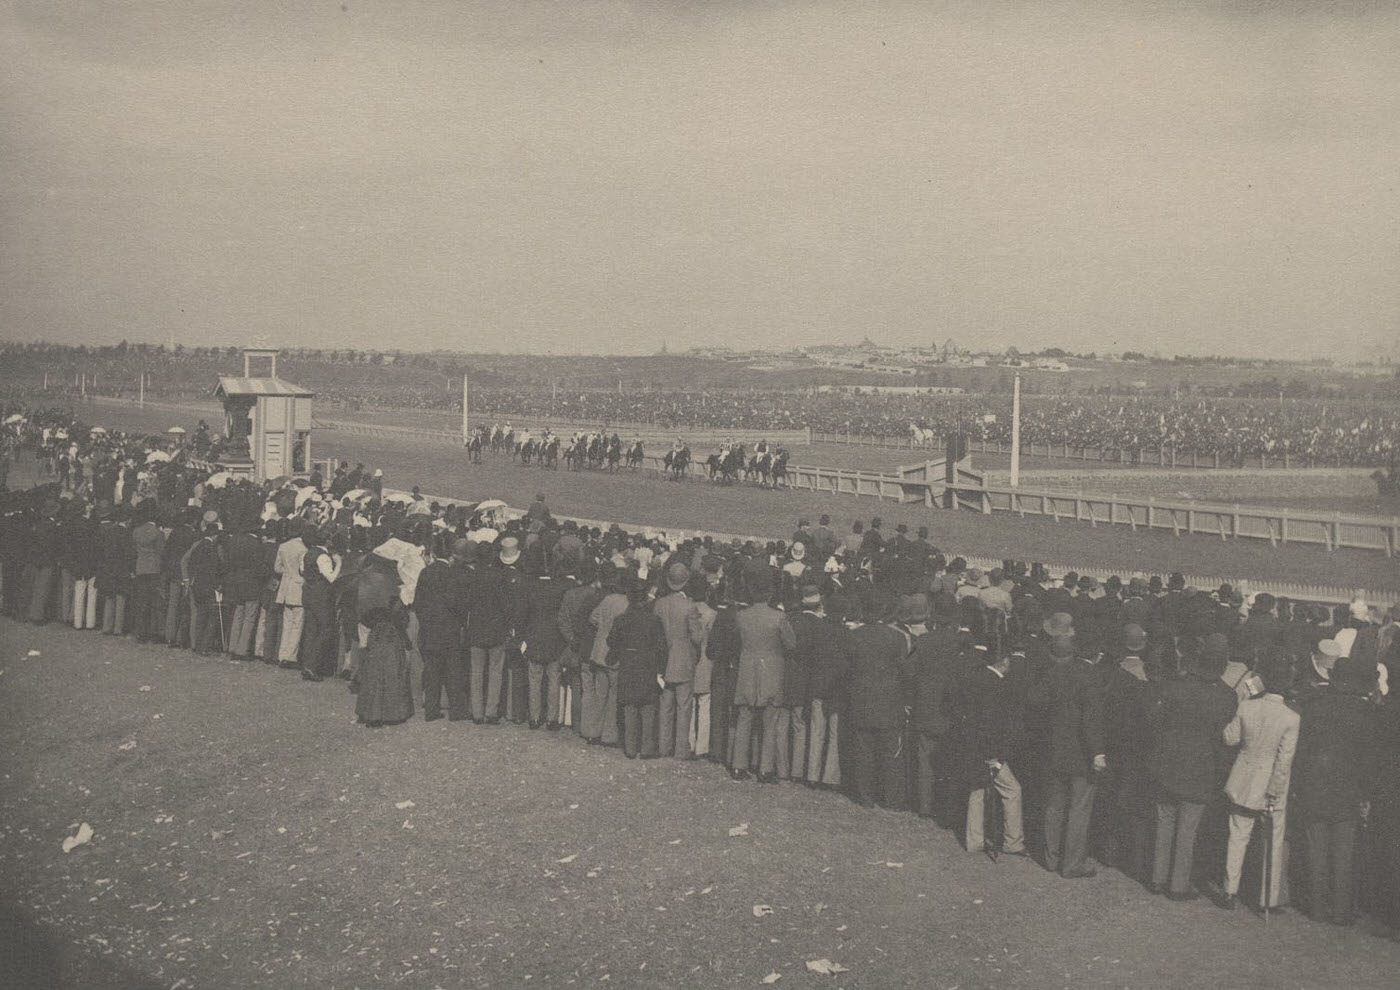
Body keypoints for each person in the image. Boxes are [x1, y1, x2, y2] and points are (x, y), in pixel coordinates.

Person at [1292, 658, 1380, 925]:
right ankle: (1341, 910)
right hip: (1348, 790)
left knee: (1316, 849)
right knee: (1344, 852)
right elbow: (1369, 759)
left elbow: (1302, 751)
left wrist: (1298, 784)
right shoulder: (1364, 713)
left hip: (1315, 786)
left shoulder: (1313, 707)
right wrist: (1366, 793)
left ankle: (1317, 907)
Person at [1149, 643, 1238, 900]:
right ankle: (1178, 884)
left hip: (1167, 762)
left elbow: (1157, 721)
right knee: (1188, 827)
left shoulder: (1176, 686)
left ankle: (1158, 877)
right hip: (1201, 767)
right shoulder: (1226, 696)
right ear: (1222, 668)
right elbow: (1224, 739)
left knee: (1165, 819)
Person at [1214, 655, 1300, 912]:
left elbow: (1229, 739)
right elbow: (1284, 760)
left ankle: (1230, 891)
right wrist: (1274, 789)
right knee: (1272, 839)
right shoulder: (1291, 718)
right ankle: (1268, 898)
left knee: (1237, 835)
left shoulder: (1247, 707)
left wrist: (1241, 703)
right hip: (1271, 783)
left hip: (1243, 778)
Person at [1037, 634, 1107, 879]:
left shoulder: (1054, 673)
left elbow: (1039, 705)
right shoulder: (1092, 678)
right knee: (1079, 809)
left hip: (1054, 749)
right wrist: (1097, 752)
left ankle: (1050, 857)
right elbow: (1091, 719)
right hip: (1080, 755)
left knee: (1054, 806)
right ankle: (1072, 863)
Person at [844, 593, 915, 808]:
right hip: (890, 700)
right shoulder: (898, 637)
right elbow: (906, 671)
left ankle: (865, 796)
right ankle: (892, 799)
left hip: (862, 699)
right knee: (891, 752)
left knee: (863, 750)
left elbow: (847, 667)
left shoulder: (854, 635)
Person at [958, 642, 1028, 857]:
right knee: (1012, 790)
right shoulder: (999, 686)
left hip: (970, 745)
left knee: (977, 790)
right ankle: (1013, 841)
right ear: (1004, 662)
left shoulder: (973, 678)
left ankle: (974, 840)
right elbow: (990, 724)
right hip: (987, 749)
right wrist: (994, 757)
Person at [729, 569, 796, 783]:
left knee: (745, 717)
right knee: (770, 721)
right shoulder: (779, 617)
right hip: (772, 669)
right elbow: (791, 644)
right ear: (769, 595)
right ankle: (766, 769)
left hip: (747, 668)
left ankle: (738, 765)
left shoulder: (741, 616)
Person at [610, 578, 669, 758]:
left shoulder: (621, 620)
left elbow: (611, 641)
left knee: (629, 707)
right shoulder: (653, 620)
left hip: (628, 665)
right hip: (647, 666)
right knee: (648, 707)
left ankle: (630, 748)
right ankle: (647, 748)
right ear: (645, 598)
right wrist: (660, 669)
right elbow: (661, 648)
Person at [652, 562, 704, 759]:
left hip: (663, 660)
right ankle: (681, 749)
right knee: (684, 707)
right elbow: (697, 637)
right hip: (683, 661)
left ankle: (663, 746)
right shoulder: (690, 607)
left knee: (665, 705)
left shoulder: (659, 604)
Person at [414, 536, 469, 722]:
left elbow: (418, 603)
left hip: (429, 627)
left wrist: (425, 621)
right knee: (453, 670)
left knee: (431, 669)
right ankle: (457, 710)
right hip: (450, 627)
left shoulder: (426, 573)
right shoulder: (454, 574)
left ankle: (431, 709)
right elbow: (459, 604)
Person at [583, 565, 628, 745]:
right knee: (613, 696)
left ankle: (593, 732)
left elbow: (593, 618)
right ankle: (609, 735)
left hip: (600, 652)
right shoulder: (627, 603)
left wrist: (603, 627)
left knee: (600, 694)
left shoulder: (608, 599)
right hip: (615, 655)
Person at [355, 599, 415, 727]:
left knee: (373, 677)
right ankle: (391, 714)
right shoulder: (398, 605)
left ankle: (369, 713)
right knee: (392, 677)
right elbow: (401, 626)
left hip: (375, 637)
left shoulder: (370, 593)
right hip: (390, 641)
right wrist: (408, 645)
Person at [299, 525, 342, 680]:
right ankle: (313, 665)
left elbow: (302, 571)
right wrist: (338, 563)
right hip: (321, 595)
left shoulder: (307, 554)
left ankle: (306, 664)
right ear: (328, 540)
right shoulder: (324, 557)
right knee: (326, 629)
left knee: (311, 629)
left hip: (308, 593)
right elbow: (331, 578)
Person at [273, 519, 308, 669]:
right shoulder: (303, 548)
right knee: (297, 624)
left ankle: (282, 655)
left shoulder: (283, 546)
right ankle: (291, 657)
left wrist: (287, 573)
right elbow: (304, 570)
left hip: (285, 587)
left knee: (287, 623)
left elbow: (277, 568)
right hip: (298, 586)